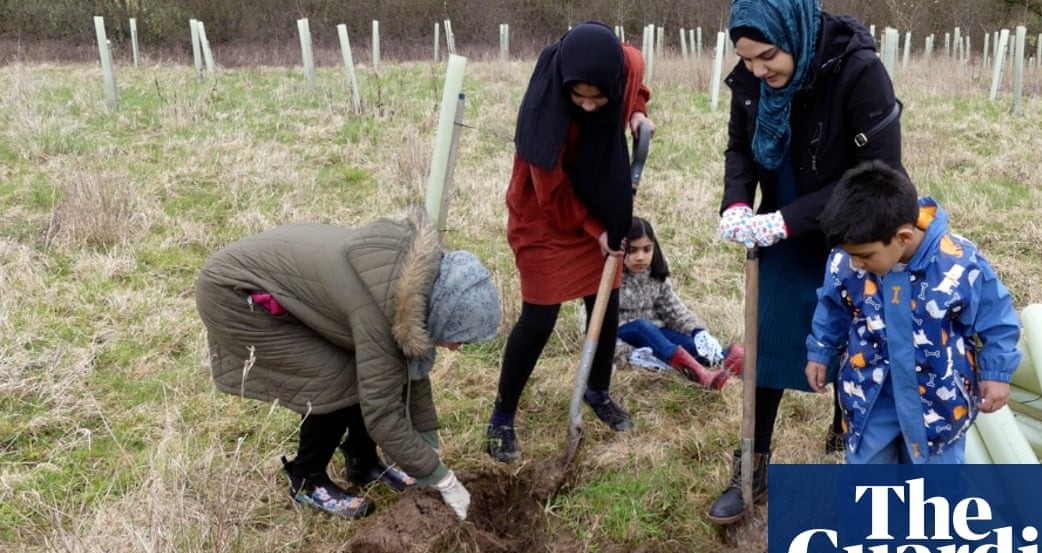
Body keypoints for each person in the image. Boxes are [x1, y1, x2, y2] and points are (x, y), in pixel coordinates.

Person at [708, 0, 907, 523]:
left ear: (794, 34)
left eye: (767, 57)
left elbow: (877, 171)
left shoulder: (858, 71)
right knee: (768, 334)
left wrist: (787, 220)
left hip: (857, 227)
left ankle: (851, 434)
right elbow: (739, 147)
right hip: (786, 215)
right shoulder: (753, 80)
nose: (757, 70)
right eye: (746, 59)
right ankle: (752, 464)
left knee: (859, 337)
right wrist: (737, 202)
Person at [195, 210, 500, 520]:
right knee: (336, 380)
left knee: (368, 369)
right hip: (234, 293)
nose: (456, 348)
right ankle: (307, 481)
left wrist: (428, 446)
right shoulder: (382, 310)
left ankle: (362, 461)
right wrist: (442, 479)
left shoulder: (415, 286)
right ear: (443, 314)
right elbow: (382, 413)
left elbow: (410, 370)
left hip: (276, 280)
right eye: (458, 338)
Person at [486, 21, 656, 463]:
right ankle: (502, 415)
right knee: (539, 315)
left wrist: (636, 112)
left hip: (598, 191)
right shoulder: (546, 119)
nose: (587, 105)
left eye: (598, 98)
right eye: (578, 96)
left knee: (606, 300)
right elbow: (552, 195)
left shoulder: (625, 63)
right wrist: (596, 231)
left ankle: (598, 391)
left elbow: (635, 81)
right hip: (543, 216)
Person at [805, 160, 1022, 463]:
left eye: (865, 256)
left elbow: (995, 319)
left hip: (938, 399)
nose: (856, 264)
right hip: (870, 392)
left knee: (936, 478)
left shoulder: (959, 263)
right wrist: (821, 351)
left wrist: (996, 373)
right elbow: (833, 307)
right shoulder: (847, 262)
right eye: (850, 255)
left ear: (903, 237)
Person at [616, 216, 744, 390]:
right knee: (642, 326)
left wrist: (698, 332)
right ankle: (696, 373)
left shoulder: (655, 276)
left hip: (656, 333)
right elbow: (592, 327)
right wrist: (625, 353)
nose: (640, 257)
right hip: (622, 334)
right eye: (632, 250)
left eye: (646, 249)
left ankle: (727, 358)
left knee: (688, 343)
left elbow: (674, 310)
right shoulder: (609, 278)